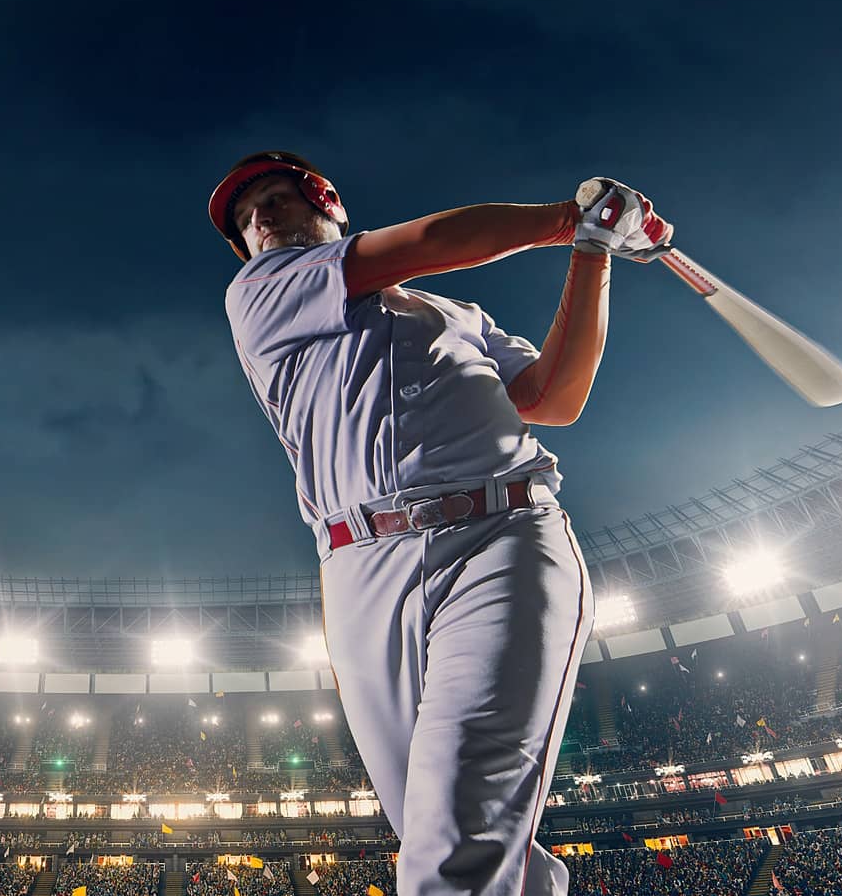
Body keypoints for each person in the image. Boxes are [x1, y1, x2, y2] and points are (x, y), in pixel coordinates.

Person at [208, 151, 671, 896]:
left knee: (454, 849)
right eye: (245, 218)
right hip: (358, 572)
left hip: (502, 536)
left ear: (325, 200)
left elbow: (555, 395)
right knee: (458, 843)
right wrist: (569, 218)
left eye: (272, 199)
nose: (257, 219)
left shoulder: (457, 316)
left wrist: (593, 249)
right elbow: (428, 241)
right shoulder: (260, 291)